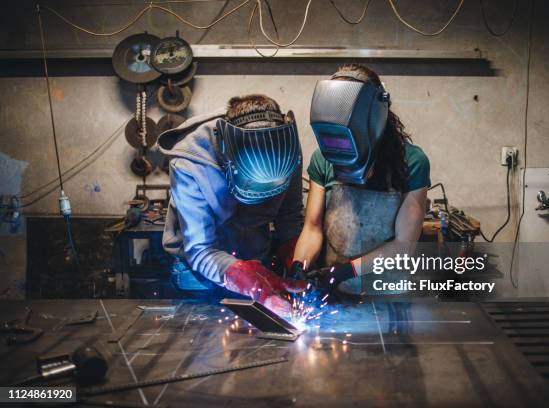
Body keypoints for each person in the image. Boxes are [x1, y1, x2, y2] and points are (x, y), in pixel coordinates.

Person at [158, 94, 305, 314]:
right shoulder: (189, 163)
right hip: (200, 272)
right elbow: (200, 249)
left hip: (257, 261)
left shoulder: (287, 151)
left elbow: (289, 215)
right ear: (227, 154)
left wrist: (296, 260)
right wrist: (238, 274)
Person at [291, 64, 430, 292]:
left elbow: (403, 246)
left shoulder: (412, 162)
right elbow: (312, 228)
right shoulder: (323, 159)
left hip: (386, 291)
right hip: (336, 293)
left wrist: (344, 272)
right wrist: (299, 266)